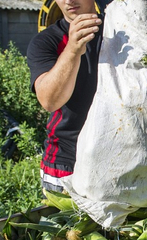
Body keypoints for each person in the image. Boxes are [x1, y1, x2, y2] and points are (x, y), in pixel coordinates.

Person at [27, 0, 106, 193]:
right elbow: (49, 101)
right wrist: (72, 50)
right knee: (68, 223)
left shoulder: (118, 33)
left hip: (118, 156)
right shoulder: (46, 41)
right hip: (67, 162)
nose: (69, 0)